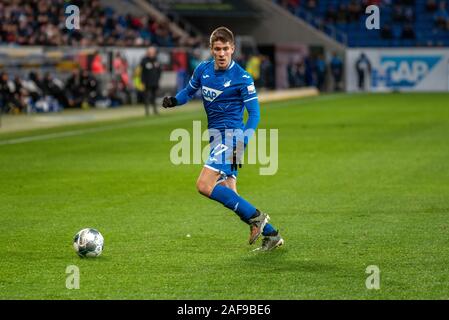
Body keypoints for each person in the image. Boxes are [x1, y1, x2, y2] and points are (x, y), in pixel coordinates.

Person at [162, 27, 284, 251]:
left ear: (233, 49)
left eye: (225, 49)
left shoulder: (242, 78)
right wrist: (174, 101)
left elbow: (254, 114)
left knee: (204, 184)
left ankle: (257, 218)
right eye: (217, 49)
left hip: (233, 139)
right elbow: (188, 92)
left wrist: (242, 142)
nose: (221, 53)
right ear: (211, 49)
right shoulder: (203, 70)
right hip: (216, 138)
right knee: (231, 194)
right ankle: (272, 234)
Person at [140, 46, 162, 116]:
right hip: (147, 82)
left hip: (155, 82)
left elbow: (159, 71)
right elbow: (142, 72)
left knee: (154, 96)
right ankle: (147, 111)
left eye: (153, 52)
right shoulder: (144, 61)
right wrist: (142, 81)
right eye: (151, 52)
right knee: (147, 96)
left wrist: (158, 79)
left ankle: (155, 110)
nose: (152, 54)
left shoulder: (156, 60)